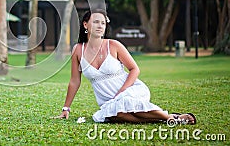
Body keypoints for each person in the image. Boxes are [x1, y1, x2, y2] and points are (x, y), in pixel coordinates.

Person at [55, 9, 196, 124]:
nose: (100, 26)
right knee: (116, 115)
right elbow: (74, 81)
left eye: (103, 23)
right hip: (107, 99)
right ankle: (163, 119)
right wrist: (66, 108)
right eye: (96, 22)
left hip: (130, 89)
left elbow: (135, 69)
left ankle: (170, 118)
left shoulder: (114, 45)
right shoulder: (77, 50)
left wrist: (122, 91)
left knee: (125, 102)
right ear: (85, 25)